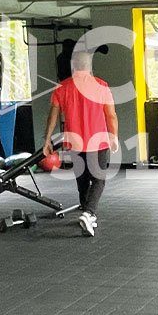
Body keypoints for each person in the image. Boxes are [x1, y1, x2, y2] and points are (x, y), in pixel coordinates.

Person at [42, 46, 119, 237]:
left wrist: (47, 140)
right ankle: (89, 213)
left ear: (73, 67)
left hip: (74, 142)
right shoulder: (101, 85)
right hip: (98, 142)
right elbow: (111, 115)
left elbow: (52, 116)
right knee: (98, 180)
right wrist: (114, 136)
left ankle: (87, 213)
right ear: (89, 66)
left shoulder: (62, 87)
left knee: (82, 180)